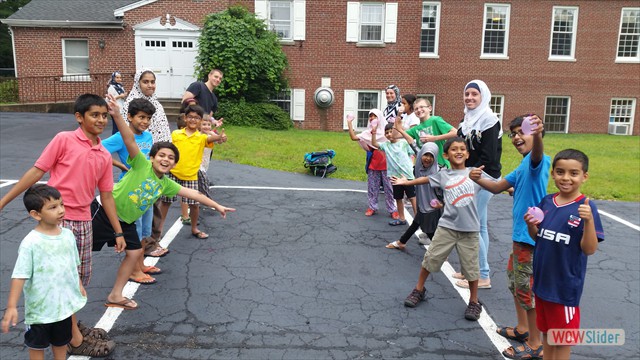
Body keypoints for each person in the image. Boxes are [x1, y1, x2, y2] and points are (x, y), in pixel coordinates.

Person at [0, 93, 122, 356]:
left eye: (104, 115)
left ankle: (70, 326)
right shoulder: (64, 140)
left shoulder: (102, 153)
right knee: (61, 279)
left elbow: (107, 196)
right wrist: (4, 200)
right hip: (59, 222)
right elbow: (37, 171)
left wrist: (118, 231)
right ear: (79, 117)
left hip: (84, 222)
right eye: (94, 114)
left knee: (78, 280)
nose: (101, 119)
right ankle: (74, 339)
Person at [92, 95, 235, 309]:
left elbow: (193, 194)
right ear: (151, 157)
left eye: (170, 158)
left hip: (127, 221)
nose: (166, 159)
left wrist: (216, 205)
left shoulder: (166, 184)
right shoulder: (141, 164)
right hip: (104, 212)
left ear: (174, 164)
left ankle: (115, 295)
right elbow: (129, 139)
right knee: (81, 250)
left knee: (133, 253)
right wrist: (116, 115)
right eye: (162, 155)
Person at [470, 114, 549, 358]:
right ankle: (523, 328)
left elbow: (537, 154)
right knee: (515, 284)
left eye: (521, 132)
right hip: (519, 238)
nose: (516, 137)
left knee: (527, 290)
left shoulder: (538, 160)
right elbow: (497, 186)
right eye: (513, 133)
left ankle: (535, 345)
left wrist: (535, 134)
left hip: (530, 238)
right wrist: (477, 178)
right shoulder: (523, 164)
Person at [393, 137, 489, 321]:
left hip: (469, 230)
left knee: (471, 268)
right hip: (447, 227)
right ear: (446, 155)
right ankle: (419, 290)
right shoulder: (443, 175)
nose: (459, 151)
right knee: (430, 259)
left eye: (462, 149)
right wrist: (407, 182)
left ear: (468, 154)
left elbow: (494, 184)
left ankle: (474, 301)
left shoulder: (474, 174)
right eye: (454, 149)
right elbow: (425, 179)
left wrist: (510, 187)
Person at [524, 149, 604, 360]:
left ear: (584, 176)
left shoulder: (586, 207)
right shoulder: (547, 202)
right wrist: (531, 225)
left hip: (564, 289)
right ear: (553, 174)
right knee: (547, 335)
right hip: (542, 284)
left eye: (573, 173)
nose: (566, 178)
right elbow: (538, 237)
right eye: (560, 172)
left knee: (562, 340)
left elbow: (589, 249)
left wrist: (588, 222)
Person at [1, 185, 93, 360]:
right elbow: (20, 275)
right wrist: (12, 306)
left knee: (61, 345)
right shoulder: (31, 243)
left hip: (63, 308)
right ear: (36, 214)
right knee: (37, 348)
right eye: (52, 207)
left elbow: (73, 264)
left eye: (61, 204)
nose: (60, 210)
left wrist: (78, 285)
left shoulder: (67, 235)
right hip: (39, 312)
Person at [103, 97, 167, 274]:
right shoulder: (120, 137)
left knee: (145, 231)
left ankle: (141, 265)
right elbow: (98, 150)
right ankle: (134, 270)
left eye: (148, 118)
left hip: (147, 190)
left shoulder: (148, 136)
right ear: (129, 117)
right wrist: (119, 164)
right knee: (134, 232)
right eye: (141, 117)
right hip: (131, 192)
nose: (145, 122)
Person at [454, 80, 502, 290]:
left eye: (474, 94)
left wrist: (470, 175)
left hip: (484, 178)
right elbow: (461, 149)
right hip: (470, 175)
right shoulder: (466, 120)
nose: (470, 98)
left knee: (471, 227)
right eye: (467, 94)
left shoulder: (489, 119)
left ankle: (482, 275)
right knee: (479, 225)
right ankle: (469, 269)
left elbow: (489, 155)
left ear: (483, 96)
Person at [157, 104, 227, 239]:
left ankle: (194, 228)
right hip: (173, 174)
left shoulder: (201, 137)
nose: (193, 120)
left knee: (194, 205)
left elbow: (211, 138)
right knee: (165, 203)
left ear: (200, 120)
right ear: (185, 118)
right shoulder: (176, 134)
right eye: (190, 117)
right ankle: (159, 230)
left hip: (191, 176)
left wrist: (220, 137)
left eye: (196, 118)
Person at [385, 129, 443, 250]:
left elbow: (426, 179)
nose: (427, 158)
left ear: (435, 157)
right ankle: (402, 242)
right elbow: (412, 143)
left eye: (431, 156)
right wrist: (399, 128)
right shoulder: (419, 163)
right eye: (425, 155)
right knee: (416, 223)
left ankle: (440, 251)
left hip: (431, 206)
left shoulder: (438, 171)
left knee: (429, 230)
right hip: (423, 204)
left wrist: (408, 182)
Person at [346, 110, 398, 218]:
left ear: (379, 117)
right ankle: (372, 207)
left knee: (389, 188)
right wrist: (349, 123)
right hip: (374, 164)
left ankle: (392, 209)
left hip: (387, 164)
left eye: (375, 116)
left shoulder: (387, 131)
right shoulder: (367, 133)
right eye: (370, 116)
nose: (372, 118)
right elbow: (354, 137)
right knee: (372, 187)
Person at [371, 122, 417, 226]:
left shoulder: (404, 143)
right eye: (386, 132)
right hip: (395, 177)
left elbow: (413, 153)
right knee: (398, 197)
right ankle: (401, 218)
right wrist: (373, 133)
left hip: (407, 176)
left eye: (391, 131)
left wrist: (412, 167)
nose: (389, 134)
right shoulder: (386, 145)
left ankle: (417, 219)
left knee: (412, 197)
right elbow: (374, 144)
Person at [404, 98, 457, 168]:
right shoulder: (415, 129)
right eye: (416, 109)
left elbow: (455, 132)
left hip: (441, 165)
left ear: (430, 108)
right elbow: (395, 135)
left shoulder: (435, 120)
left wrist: (435, 138)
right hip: (425, 167)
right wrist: (398, 115)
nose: (419, 110)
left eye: (422, 107)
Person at [121, 69, 171, 144]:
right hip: (138, 148)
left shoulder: (157, 104)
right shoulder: (130, 104)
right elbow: (125, 130)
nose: (150, 85)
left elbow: (164, 130)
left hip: (158, 150)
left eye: (152, 82)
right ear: (138, 83)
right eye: (145, 82)